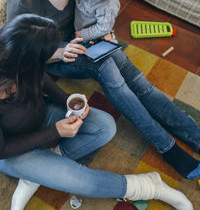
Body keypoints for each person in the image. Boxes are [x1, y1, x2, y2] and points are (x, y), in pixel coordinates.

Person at [6, 0, 200, 180]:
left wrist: (102, 30)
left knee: (135, 78)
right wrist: (59, 53)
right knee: (108, 68)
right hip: (56, 54)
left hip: (88, 39)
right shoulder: (24, 3)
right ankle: (167, 147)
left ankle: (193, 134)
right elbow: (21, 59)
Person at [0, 14, 192, 210]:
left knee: (104, 126)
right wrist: (54, 132)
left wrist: (66, 99)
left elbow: (41, 78)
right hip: (10, 150)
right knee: (81, 180)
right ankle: (151, 186)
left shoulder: (17, 56)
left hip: (40, 114)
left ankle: (39, 172)